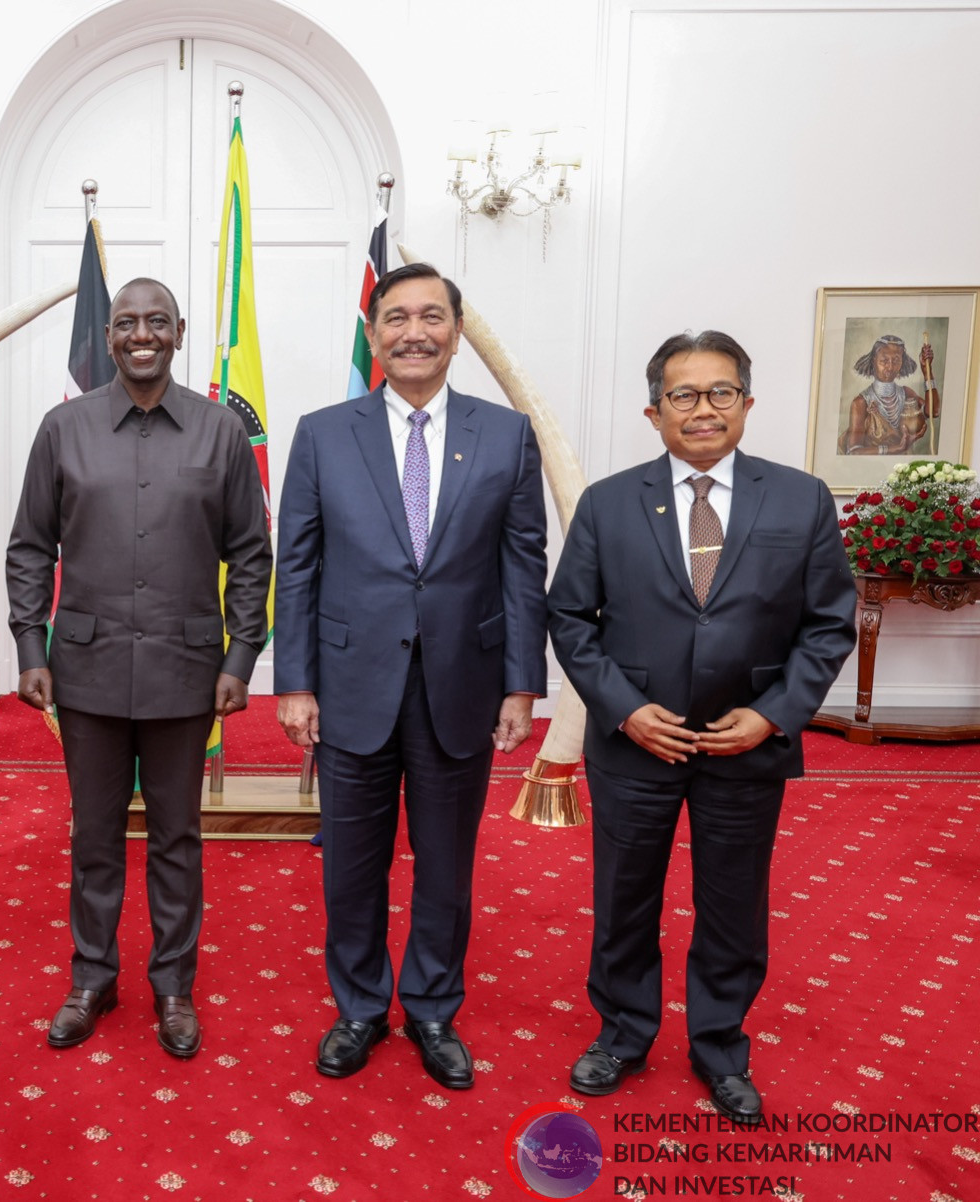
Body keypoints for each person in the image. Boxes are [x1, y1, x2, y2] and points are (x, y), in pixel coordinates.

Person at [548, 330, 856, 1124]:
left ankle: (721, 1048)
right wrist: (623, 708)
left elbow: (828, 624)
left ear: (748, 404)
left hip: (745, 741)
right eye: (683, 395)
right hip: (635, 741)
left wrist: (773, 715)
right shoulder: (609, 502)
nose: (703, 409)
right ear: (654, 412)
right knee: (624, 900)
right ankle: (622, 1034)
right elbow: (570, 618)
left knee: (733, 905)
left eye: (721, 392)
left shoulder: (801, 498)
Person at [274, 262, 548, 1088]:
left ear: (457, 333)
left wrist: (521, 681)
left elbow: (522, 563)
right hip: (351, 686)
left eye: (432, 316)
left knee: (446, 865)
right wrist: (294, 680)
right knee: (351, 865)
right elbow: (300, 565)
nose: (414, 331)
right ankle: (359, 1007)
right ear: (373, 334)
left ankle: (431, 1006)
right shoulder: (323, 432)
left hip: (462, 688)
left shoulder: (507, 434)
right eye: (396, 317)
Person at [5, 277, 272, 1058]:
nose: (142, 333)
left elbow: (251, 556)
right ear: (110, 336)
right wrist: (29, 646)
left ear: (181, 332)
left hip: (187, 672)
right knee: (93, 837)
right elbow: (29, 547)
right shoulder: (64, 428)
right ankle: (92, 977)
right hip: (84, 672)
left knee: (176, 839)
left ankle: (173, 985)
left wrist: (241, 655)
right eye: (127, 322)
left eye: (157, 321)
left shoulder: (221, 432)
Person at [837, 333, 938, 455]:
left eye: (896, 360)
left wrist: (927, 371)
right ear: (874, 361)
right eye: (884, 360)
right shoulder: (861, 402)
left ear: (902, 362)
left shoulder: (906, 393)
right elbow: (853, 452)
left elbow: (934, 412)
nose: (890, 367)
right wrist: (898, 449)